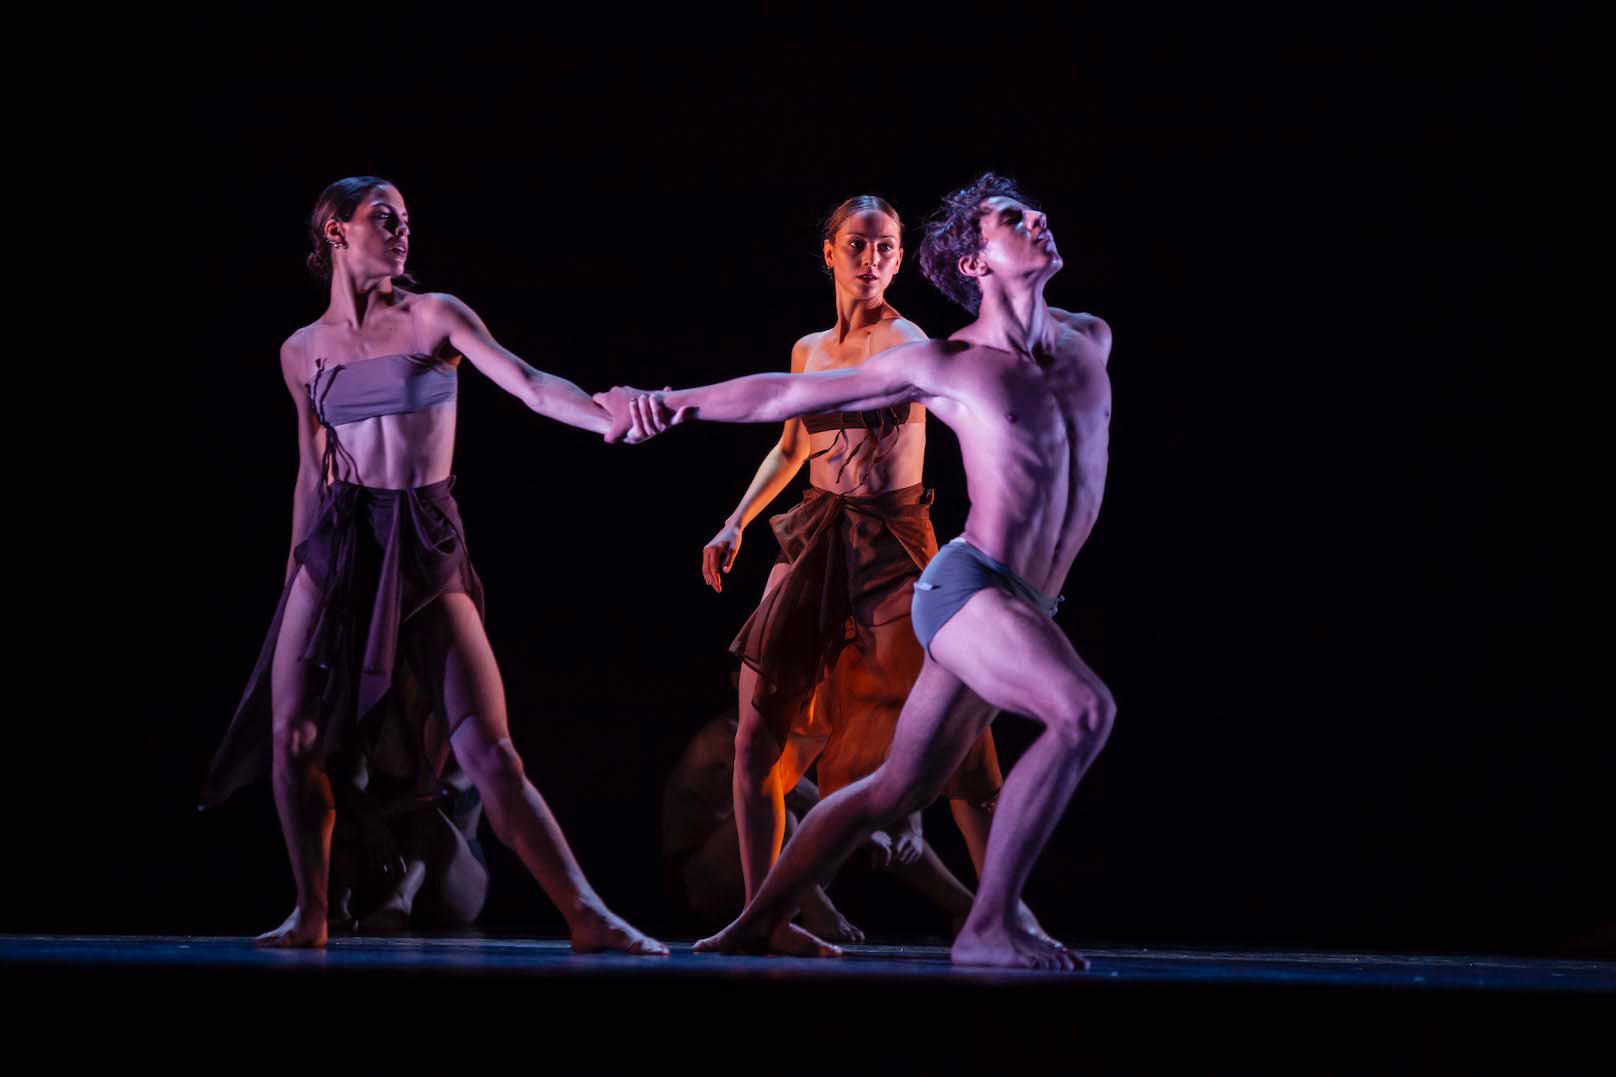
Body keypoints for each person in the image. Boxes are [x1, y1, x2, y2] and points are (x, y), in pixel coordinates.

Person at [600, 173, 1114, 970]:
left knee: (895, 788)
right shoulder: (949, 366)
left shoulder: (1092, 339)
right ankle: (990, 921)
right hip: (967, 587)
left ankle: (755, 920)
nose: (1038, 218)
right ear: (975, 264)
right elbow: (786, 398)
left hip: (1026, 598)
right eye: (1013, 219)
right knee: (1083, 711)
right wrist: (669, 400)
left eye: (1033, 210)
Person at [201, 176, 665, 954]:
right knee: (294, 733)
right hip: (339, 542)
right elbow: (310, 474)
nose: (402, 230)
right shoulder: (301, 351)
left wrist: (600, 416)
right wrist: (292, 580)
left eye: (407, 219)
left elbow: (525, 381)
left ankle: (588, 913)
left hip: (420, 535)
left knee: (488, 746)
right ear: (335, 230)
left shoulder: (433, 316)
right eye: (384, 217)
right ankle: (309, 911)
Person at [700, 196, 1007, 941]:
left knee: (960, 729)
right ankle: (761, 915)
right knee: (754, 734)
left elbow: (976, 415)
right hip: (815, 538)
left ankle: (998, 915)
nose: (873, 259)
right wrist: (736, 517)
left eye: (887, 248)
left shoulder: (909, 341)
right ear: (829, 253)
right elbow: (792, 446)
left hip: (891, 544)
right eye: (859, 245)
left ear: (900, 259)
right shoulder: (809, 350)